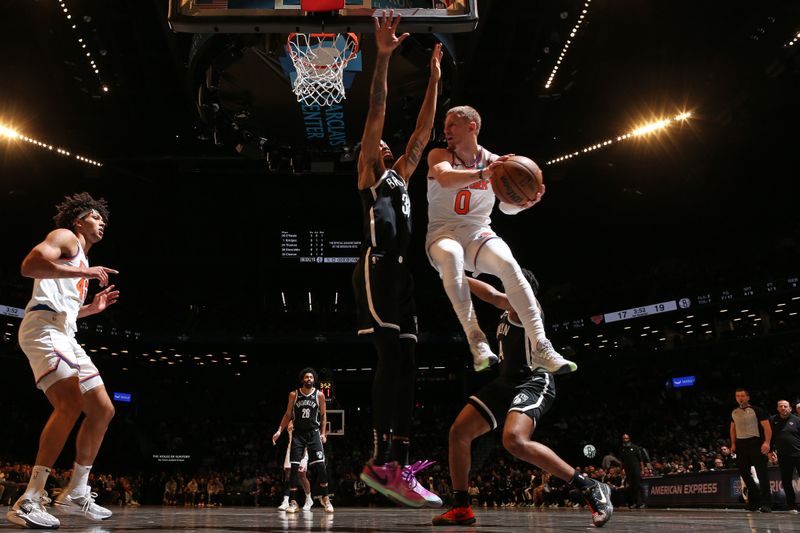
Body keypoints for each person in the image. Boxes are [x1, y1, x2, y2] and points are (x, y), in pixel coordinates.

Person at [432, 271, 612, 528]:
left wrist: (457, 276)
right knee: (458, 432)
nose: (506, 286)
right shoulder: (509, 309)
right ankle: (461, 506)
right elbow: (495, 297)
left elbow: (492, 296)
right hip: (506, 384)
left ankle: (589, 485)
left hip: (534, 380)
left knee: (514, 440)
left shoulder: (528, 305)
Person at [351, 11, 443, 509]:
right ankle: (379, 456)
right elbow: (377, 110)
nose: (385, 143)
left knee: (408, 359)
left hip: (403, 270)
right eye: (378, 142)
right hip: (377, 263)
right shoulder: (368, 172)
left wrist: (433, 81)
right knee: (390, 352)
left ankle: (398, 462)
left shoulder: (401, 176)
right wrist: (382, 59)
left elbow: (423, 134)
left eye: (387, 144)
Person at [425, 105, 576, 375]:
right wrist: (484, 173)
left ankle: (541, 345)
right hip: (442, 233)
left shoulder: (497, 162)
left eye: (452, 124)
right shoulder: (440, 155)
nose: (445, 130)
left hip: (477, 231)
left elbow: (506, 207)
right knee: (452, 256)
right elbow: (446, 179)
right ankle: (476, 339)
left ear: (472, 127)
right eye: (445, 125)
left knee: (508, 263)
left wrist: (523, 203)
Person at [7, 193, 119, 529]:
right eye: (95, 216)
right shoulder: (65, 237)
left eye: (104, 219)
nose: (102, 222)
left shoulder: (80, 259)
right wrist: (81, 271)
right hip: (43, 329)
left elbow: (66, 309)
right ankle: (29, 499)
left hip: (64, 333)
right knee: (69, 402)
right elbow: (30, 265)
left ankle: (75, 491)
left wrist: (90, 310)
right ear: (79, 220)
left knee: (102, 409)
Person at [272, 368, 333, 513]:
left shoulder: (319, 395)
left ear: (314, 379)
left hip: (313, 434)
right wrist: (279, 430)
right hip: (298, 435)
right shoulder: (294, 394)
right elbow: (287, 415)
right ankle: (293, 502)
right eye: (306, 377)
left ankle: (326, 498)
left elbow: (324, 416)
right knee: (293, 469)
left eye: (311, 377)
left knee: (321, 467)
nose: (309, 379)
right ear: (302, 379)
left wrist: (323, 433)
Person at [730, 388, 772, 512]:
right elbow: (733, 429)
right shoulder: (734, 412)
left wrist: (767, 442)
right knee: (744, 473)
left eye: (742, 395)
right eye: (737, 396)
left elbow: (767, 427)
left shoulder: (757, 410)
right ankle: (755, 500)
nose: (740, 398)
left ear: (748, 397)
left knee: (762, 473)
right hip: (741, 445)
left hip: (756, 442)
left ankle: (767, 503)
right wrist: (733, 443)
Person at [769, 400, 800, 512]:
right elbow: (770, 437)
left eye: (785, 406)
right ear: (777, 408)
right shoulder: (772, 420)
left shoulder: (797, 420)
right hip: (783, 456)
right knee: (786, 481)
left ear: (790, 408)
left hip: (798, 454)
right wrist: (770, 451)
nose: (783, 408)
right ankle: (791, 505)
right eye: (781, 406)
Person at [277, 421, 313, 511]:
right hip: (291, 449)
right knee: (288, 475)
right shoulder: (289, 420)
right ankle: (285, 501)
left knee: (302, 475)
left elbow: (307, 436)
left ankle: (309, 499)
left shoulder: (304, 421)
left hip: (302, 449)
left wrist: (305, 449)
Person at [619, 434, 649, 509]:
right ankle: (635, 503)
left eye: (626, 438)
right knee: (631, 487)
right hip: (628, 470)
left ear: (629, 439)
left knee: (638, 486)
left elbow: (641, 460)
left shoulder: (635, 448)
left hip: (636, 469)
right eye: (624, 438)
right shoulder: (622, 449)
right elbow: (622, 461)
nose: (625, 439)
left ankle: (642, 503)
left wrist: (642, 470)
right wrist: (621, 470)